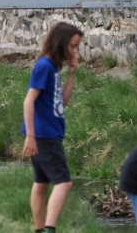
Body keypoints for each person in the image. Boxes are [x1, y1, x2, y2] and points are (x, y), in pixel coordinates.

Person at [22, 22, 83, 233]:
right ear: (61, 42)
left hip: (47, 133)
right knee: (64, 183)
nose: (74, 51)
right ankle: (50, 229)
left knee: (41, 184)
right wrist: (30, 136)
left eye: (77, 47)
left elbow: (61, 103)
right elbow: (29, 101)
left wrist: (71, 74)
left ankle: (40, 230)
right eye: (72, 46)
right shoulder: (44, 66)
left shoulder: (53, 69)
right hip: (45, 135)